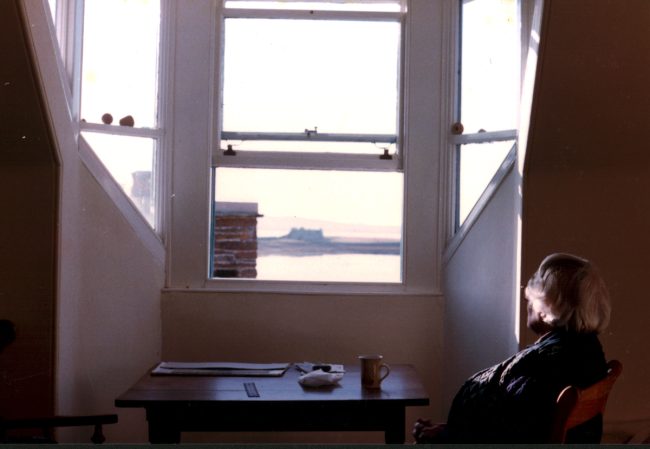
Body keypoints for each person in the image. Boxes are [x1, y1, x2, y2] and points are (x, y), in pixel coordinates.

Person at [414, 253, 611, 443]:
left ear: (546, 309)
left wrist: (444, 437)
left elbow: (513, 435)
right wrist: (448, 431)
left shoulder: (546, 366)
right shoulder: (585, 349)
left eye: (531, 299)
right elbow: (511, 423)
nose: (527, 305)